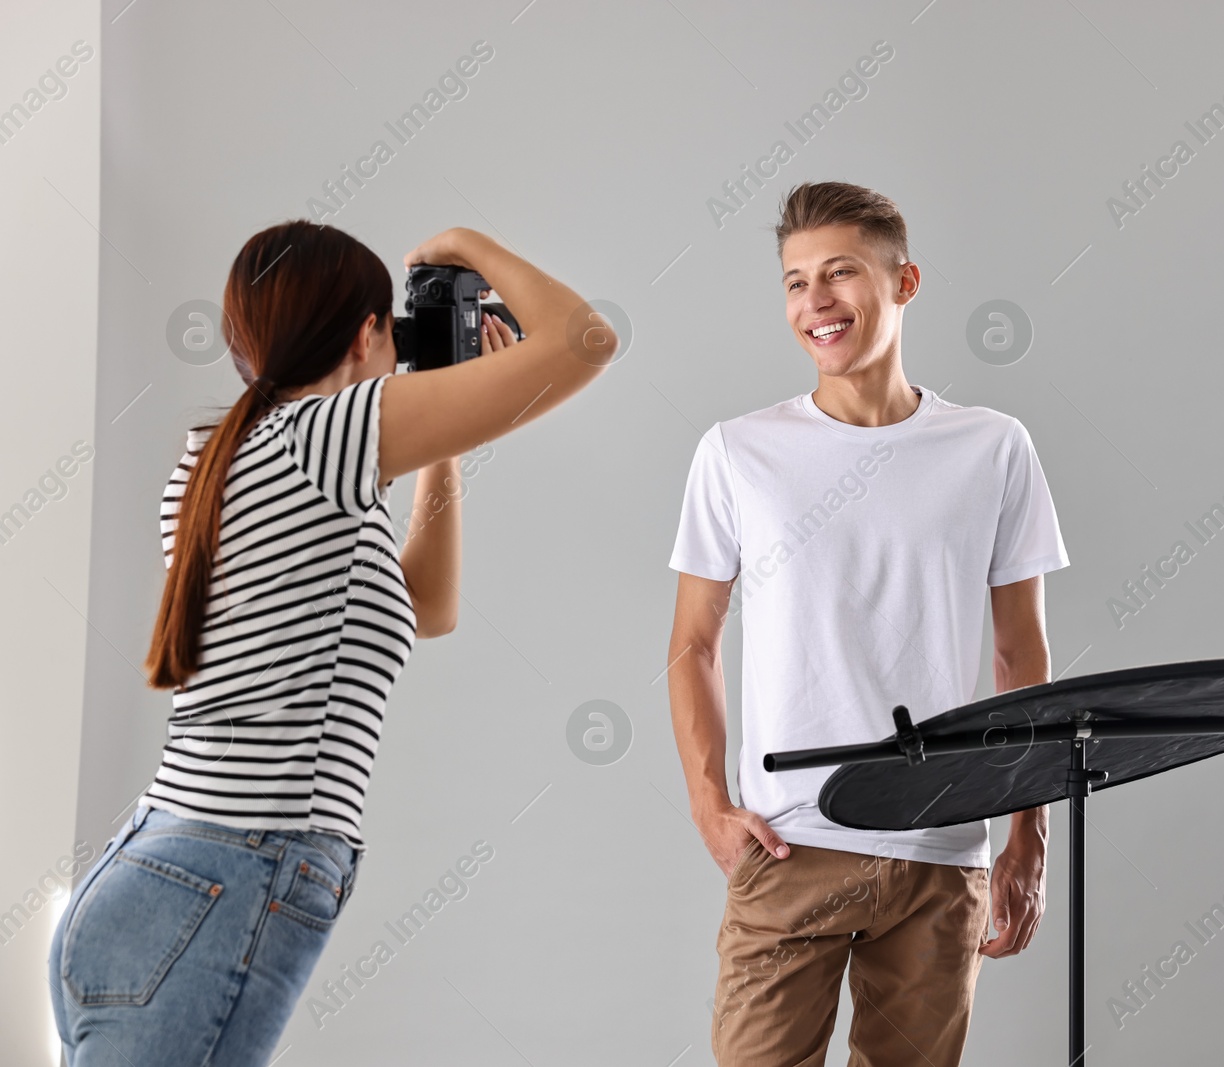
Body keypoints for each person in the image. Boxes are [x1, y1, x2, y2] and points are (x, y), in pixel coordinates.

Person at [46, 221, 615, 1066]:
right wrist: (463, 243)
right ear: (365, 332)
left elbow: (428, 605)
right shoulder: (325, 438)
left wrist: (445, 446)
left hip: (156, 871)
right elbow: (585, 340)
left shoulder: (223, 456)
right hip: (232, 871)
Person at [666, 180, 1071, 1066]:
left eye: (839, 273)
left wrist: (1028, 832)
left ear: (904, 282)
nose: (814, 301)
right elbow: (695, 640)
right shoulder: (738, 452)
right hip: (789, 842)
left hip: (941, 848)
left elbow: (1020, 654)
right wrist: (710, 806)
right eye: (794, 280)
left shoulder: (993, 447)